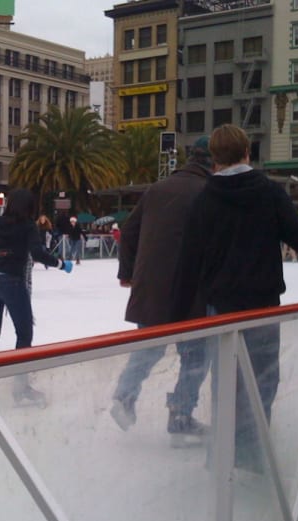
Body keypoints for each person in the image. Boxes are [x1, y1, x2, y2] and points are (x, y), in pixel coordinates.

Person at [171, 124, 298, 471]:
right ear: (248, 153)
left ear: (214, 159)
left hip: (221, 312)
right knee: (262, 384)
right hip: (261, 308)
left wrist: (175, 321)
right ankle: (250, 457)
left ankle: (222, 460)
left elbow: (187, 264)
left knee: (225, 386)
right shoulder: (268, 193)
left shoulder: (204, 200)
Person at [110, 136, 213, 433]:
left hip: (152, 288)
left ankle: (124, 396)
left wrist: (127, 272)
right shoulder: (210, 191)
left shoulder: (158, 188)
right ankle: (180, 414)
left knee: (148, 348)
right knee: (196, 355)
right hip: (191, 291)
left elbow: (128, 231)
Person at [0, 188, 73, 403]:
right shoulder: (28, 225)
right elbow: (38, 253)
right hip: (12, 281)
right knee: (24, 334)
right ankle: (20, 389)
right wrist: (60, 264)